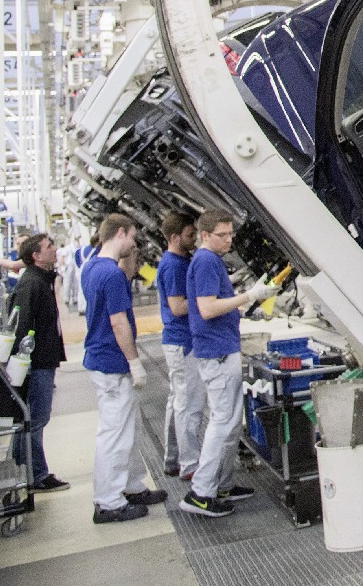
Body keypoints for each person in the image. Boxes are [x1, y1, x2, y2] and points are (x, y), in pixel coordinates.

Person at [180, 211, 275, 518]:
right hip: (217, 352)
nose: (229, 240)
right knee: (222, 422)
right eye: (222, 235)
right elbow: (207, 309)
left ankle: (221, 484)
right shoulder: (206, 261)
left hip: (221, 347)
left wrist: (243, 310)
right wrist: (249, 295)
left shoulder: (209, 261)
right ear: (205, 235)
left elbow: (215, 303)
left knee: (231, 422)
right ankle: (201, 493)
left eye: (231, 234)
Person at [80, 214, 168, 523]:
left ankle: (131, 486)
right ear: (120, 233)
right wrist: (134, 362)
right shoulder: (111, 274)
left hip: (102, 358)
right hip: (112, 363)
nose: (134, 243)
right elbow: (119, 323)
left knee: (130, 429)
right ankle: (107, 502)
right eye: (132, 236)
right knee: (114, 434)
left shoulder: (91, 266)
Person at [8, 232, 68, 492]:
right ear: (36, 256)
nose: (54, 249)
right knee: (35, 420)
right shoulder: (32, 284)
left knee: (32, 420)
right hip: (37, 362)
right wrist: (26, 364)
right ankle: (35, 475)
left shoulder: (40, 281)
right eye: (49, 246)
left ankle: (26, 471)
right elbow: (21, 327)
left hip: (43, 359)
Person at [156, 211, 205, 479]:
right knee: (189, 405)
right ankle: (190, 465)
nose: (194, 238)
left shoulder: (178, 261)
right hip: (182, 342)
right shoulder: (174, 265)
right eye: (189, 235)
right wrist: (209, 300)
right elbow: (177, 307)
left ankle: (173, 459)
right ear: (174, 237)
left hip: (177, 341)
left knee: (177, 402)